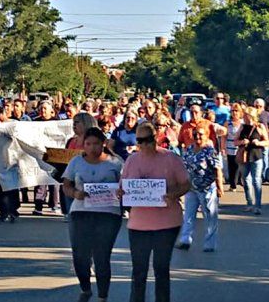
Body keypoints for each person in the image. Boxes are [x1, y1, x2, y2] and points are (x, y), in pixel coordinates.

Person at [120, 123, 191, 302]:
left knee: (161, 268)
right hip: (138, 224)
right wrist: (120, 192)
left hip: (167, 223)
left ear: (156, 138)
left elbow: (186, 184)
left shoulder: (171, 158)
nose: (144, 145)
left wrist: (173, 194)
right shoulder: (132, 160)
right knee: (139, 271)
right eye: (140, 141)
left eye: (148, 140)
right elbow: (124, 186)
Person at [62, 128, 124, 302]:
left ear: (103, 143)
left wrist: (121, 192)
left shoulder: (115, 163)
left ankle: (102, 296)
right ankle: (86, 288)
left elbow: (127, 184)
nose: (92, 148)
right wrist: (75, 193)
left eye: (96, 143)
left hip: (108, 214)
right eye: (88, 144)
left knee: (101, 255)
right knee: (79, 255)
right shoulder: (76, 162)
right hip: (80, 212)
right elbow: (66, 185)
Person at [176, 126, 224, 252]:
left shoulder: (209, 151)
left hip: (207, 188)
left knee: (210, 216)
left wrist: (220, 187)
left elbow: (217, 169)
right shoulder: (190, 149)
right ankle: (185, 240)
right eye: (196, 134)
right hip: (191, 188)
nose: (198, 136)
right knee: (188, 215)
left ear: (207, 136)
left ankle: (210, 244)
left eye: (201, 134)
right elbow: (184, 167)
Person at [0, 107, 20, 222]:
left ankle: (13, 209)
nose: (0, 117)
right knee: (0, 186)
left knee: (13, 186)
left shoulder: (14, 124)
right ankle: (3, 210)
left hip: (12, 160)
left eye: (2, 114)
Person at [236, 107, 269, 215]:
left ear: (251, 116)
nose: (244, 117)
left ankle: (258, 205)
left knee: (256, 180)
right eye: (244, 115)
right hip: (244, 157)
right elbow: (235, 141)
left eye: (246, 115)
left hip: (256, 156)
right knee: (245, 179)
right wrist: (241, 141)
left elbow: (267, 142)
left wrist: (258, 143)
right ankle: (249, 202)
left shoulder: (260, 126)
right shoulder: (242, 127)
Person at [224, 103, 244, 192]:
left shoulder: (243, 123)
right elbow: (224, 136)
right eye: (233, 111)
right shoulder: (228, 123)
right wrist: (223, 148)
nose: (234, 113)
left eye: (236, 111)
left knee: (239, 166)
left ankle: (241, 182)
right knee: (231, 166)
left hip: (240, 147)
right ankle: (233, 185)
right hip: (230, 147)